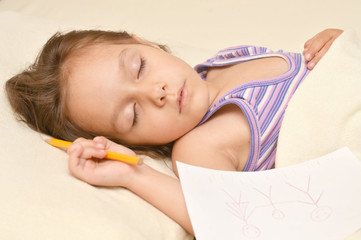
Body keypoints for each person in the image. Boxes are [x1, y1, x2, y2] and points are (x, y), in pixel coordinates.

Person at [5, 28, 343, 234]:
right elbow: (227, 219)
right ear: (135, 144)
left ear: (146, 42)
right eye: (133, 115)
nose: (157, 92)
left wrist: (338, 47)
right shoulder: (199, 146)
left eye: (140, 67)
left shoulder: (226, 59)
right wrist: (133, 175)